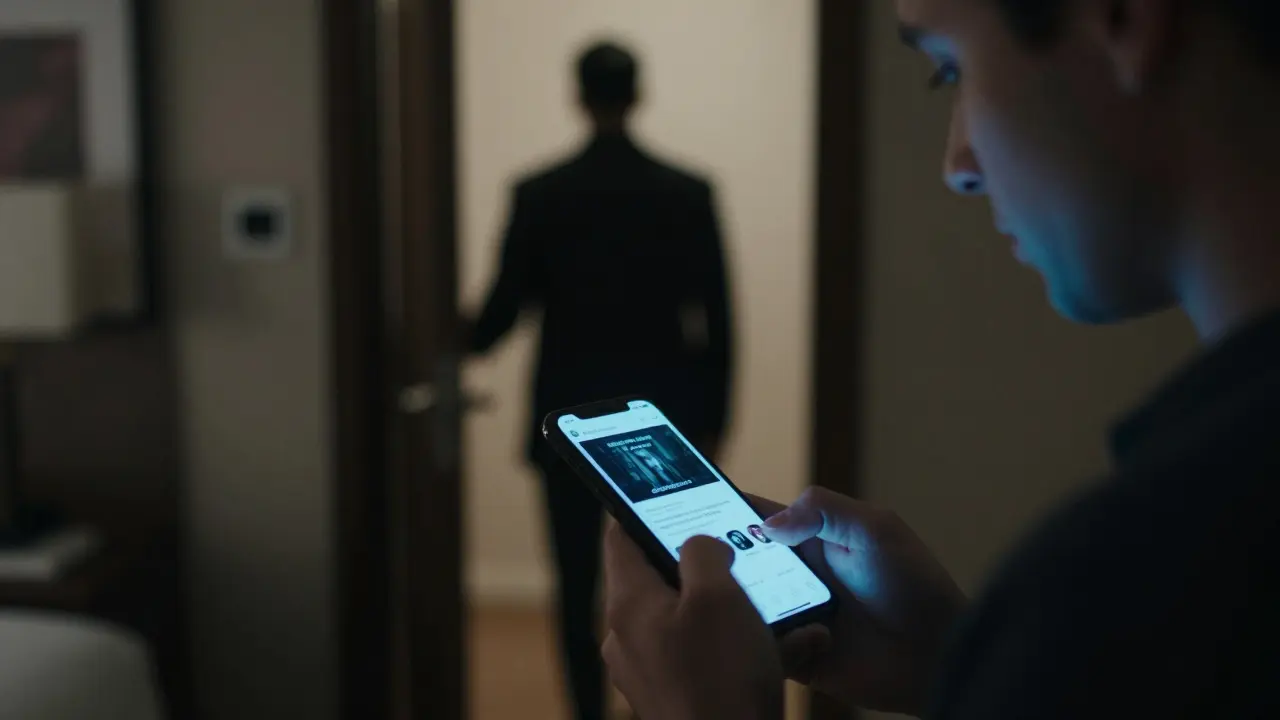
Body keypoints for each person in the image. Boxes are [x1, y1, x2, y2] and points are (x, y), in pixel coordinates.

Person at [600, 0, 1280, 718]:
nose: (958, 167)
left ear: (1122, 17)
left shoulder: (1165, 580)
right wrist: (962, 666)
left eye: (949, 69)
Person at [465, 40, 733, 720]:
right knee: (668, 581)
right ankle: (660, 706)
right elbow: (718, 323)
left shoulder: (542, 194)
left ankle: (587, 712)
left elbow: (499, 315)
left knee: (575, 581)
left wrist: (430, 336)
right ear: (636, 94)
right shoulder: (686, 194)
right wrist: (713, 423)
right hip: (661, 423)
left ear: (578, 97)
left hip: (568, 419)